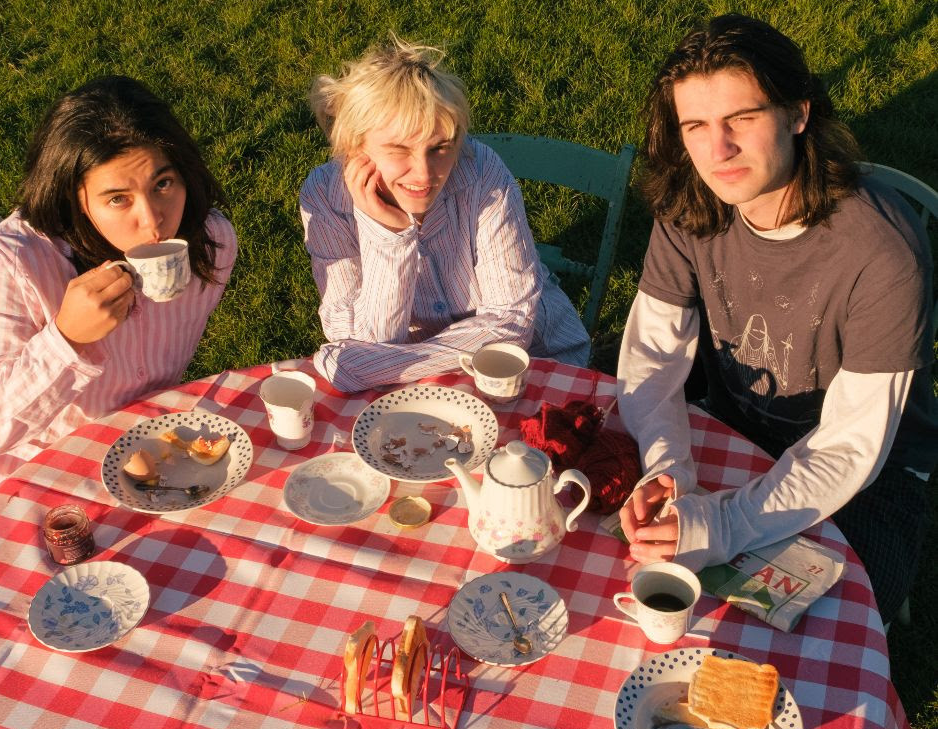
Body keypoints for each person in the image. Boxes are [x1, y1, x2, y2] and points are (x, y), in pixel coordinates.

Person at [616, 14, 936, 623]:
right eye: (697, 126)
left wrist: (726, 520)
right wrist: (667, 466)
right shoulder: (691, 203)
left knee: (813, 632)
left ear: (798, 113)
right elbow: (653, 359)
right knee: (632, 567)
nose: (718, 151)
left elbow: (852, 445)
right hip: (738, 420)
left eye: (742, 118)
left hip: (874, 468)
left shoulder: (882, 252)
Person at [0, 76, 238, 529]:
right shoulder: (14, 262)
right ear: (76, 199)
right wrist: (66, 340)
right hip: (1, 485)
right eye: (118, 198)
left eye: (163, 183)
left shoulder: (212, 243)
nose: (153, 223)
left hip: (124, 451)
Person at [300, 37, 590, 393]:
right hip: (409, 382)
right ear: (354, 146)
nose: (424, 173)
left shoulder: (481, 171)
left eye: (440, 147)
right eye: (399, 149)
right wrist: (387, 234)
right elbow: (360, 339)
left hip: (532, 363)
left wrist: (373, 366)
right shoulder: (325, 197)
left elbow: (511, 322)